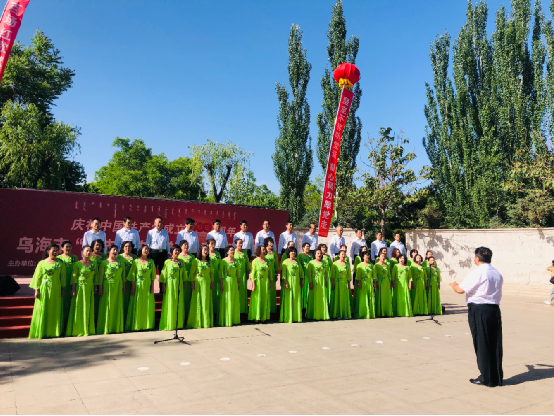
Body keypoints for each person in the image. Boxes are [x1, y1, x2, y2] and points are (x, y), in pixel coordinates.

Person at [449, 247, 504, 387]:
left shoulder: (478, 272)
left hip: (479, 310)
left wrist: (454, 285)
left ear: (477, 258)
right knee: (495, 343)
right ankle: (496, 377)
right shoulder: (497, 273)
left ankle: (486, 377)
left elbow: (460, 290)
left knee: (482, 343)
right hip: (494, 310)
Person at [29, 244, 66, 339]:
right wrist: (37, 290)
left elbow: (63, 278)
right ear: (48, 251)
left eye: (57, 250)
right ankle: (42, 331)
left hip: (56, 289)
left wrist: (63, 289)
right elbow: (37, 277)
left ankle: (53, 331)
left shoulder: (60, 263)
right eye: (53, 250)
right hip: (44, 289)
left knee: (54, 309)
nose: (55, 252)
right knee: (43, 309)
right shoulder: (41, 263)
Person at [66, 246, 97, 337]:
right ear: (82, 252)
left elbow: (96, 277)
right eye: (87, 251)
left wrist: (95, 288)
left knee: (88, 307)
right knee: (78, 307)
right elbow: (74, 277)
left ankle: (87, 328)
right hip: (80, 289)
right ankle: (77, 329)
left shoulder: (94, 264)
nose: (88, 252)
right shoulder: (77, 264)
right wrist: (73, 289)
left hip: (89, 288)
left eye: (90, 251)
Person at [125, 245, 156, 332]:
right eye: (145, 249)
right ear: (140, 250)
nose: (146, 251)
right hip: (138, 286)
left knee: (147, 305)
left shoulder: (151, 262)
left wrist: (152, 286)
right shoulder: (136, 261)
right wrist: (133, 287)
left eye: (147, 249)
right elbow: (132, 275)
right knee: (138, 304)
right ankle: (137, 325)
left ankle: (147, 325)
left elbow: (153, 276)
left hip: (147, 285)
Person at [97, 245, 125, 334]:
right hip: (107, 286)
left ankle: (115, 327)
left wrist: (123, 286)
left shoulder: (121, 262)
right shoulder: (104, 263)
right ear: (108, 251)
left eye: (116, 250)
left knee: (116, 305)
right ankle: (105, 327)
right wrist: (100, 288)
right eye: (113, 250)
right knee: (106, 306)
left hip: (118, 286)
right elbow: (100, 276)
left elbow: (123, 276)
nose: (115, 251)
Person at [159, 245, 187, 331]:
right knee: (170, 303)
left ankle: (178, 324)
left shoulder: (181, 262)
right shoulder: (167, 262)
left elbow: (184, 274)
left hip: (179, 285)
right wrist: (163, 285)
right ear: (172, 252)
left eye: (178, 250)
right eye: (175, 250)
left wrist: (184, 284)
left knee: (179, 303)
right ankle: (170, 323)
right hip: (170, 285)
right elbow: (163, 275)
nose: (177, 252)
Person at [186, 245, 214, 329]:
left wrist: (212, 282)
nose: (206, 251)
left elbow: (211, 273)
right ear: (200, 250)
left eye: (207, 250)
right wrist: (192, 283)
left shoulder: (209, 261)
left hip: (207, 282)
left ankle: (206, 322)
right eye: (204, 249)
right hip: (198, 283)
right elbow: (192, 273)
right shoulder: (196, 261)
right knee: (198, 301)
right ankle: (197, 321)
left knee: (206, 301)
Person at [57, 240, 78, 331]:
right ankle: (60, 326)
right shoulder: (58, 258)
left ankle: (68, 326)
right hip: (61, 284)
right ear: (62, 248)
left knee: (69, 305)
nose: (68, 248)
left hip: (71, 283)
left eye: (70, 246)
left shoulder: (74, 258)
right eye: (66, 247)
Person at [280, 246, 304, 323]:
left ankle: (296, 317)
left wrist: (301, 281)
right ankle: (288, 317)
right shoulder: (285, 262)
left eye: (294, 251)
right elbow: (283, 274)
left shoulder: (297, 262)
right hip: (289, 283)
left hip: (296, 283)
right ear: (288, 253)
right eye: (292, 251)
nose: (293, 253)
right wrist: (285, 283)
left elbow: (301, 272)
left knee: (296, 299)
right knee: (289, 299)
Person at [218, 246, 241, 327]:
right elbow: (220, 274)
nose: (232, 251)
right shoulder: (223, 261)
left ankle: (233, 319)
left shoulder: (236, 261)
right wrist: (221, 284)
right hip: (226, 282)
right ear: (227, 252)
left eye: (233, 250)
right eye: (231, 250)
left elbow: (238, 274)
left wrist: (238, 284)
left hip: (234, 282)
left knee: (234, 299)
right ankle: (226, 319)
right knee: (227, 299)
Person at [249, 245, 272, 323]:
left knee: (264, 299)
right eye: (263, 250)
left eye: (265, 250)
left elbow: (270, 273)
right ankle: (256, 317)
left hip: (265, 282)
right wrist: (253, 284)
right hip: (258, 282)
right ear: (259, 251)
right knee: (257, 298)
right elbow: (252, 273)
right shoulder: (255, 261)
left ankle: (263, 317)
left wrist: (271, 283)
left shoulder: (267, 261)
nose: (264, 251)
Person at [306, 249, 329, 321]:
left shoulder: (324, 263)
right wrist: (310, 282)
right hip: (314, 281)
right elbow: (308, 273)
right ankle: (313, 314)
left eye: (320, 253)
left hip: (322, 282)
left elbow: (326, 273)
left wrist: (326, 281)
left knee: (322, 297)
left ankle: (322, 314)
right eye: (318, 253)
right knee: (314, 297)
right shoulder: (311, 263)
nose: (319, 254)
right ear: (315, 255)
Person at [118, 241, 136, 325]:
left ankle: (129, 321)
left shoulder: (135, 257)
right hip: (121, 281)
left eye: (129, 246)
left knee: (130, 300)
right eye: (125, 246)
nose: (127, 248)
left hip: (132, 282)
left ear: (132, 248)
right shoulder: (119, 257)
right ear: (122, 247)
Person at [330, 250, 352, 319]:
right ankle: (337, 314)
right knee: (337, 298)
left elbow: (349, 275)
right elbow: (332, 275)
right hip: (337, 283)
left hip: (344, 283)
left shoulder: (347, 264)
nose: (343, 255)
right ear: (339, 255)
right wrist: (332, 284)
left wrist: (349, 284)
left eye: (344, 254)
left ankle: (344, 314)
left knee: (344, 299)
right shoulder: (334, 264)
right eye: (342, 254)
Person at [178, 240, 195, 320]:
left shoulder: (192, 257)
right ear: (181, 247)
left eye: (187, 245)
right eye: (184, 245)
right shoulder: (178, 256)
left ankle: (189, 316)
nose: (186, 246)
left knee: (189, 298)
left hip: (190, 280)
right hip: (181, 279)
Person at [355, 251, 375, 319]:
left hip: (370, 282)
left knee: (370, 297)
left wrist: (374, 282)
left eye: (368, 255)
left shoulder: (371, 265)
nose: (367, 256)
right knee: (363, 298)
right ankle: (363, 313)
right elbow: (358, 276)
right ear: (363, 257)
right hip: (363, 283)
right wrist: (359, 283)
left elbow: (373, 275)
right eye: (366, 255)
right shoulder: (359, 265)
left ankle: (370, 313)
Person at [234, 238, 251, 315]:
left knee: (243, 291)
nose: (241, 244)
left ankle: (243, 310)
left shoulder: (244, 253)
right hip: (235, 275)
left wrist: (247, 273)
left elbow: (247, 263)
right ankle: (236, 310)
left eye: (241, 243)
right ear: (235, 244)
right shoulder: (233, 252)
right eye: (239, 243)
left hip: (243, 275)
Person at [374, 251, 393, 317]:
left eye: (384, 256)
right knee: (380, 296)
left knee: (386, 297)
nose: (383, 257)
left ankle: (387, 311)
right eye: (382, 256)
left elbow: (389, 274)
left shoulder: (387, 265)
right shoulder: (376, 265)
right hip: (380, 282)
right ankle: (380, 312)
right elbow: (375, 275)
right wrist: (376, 283)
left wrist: (390, 282)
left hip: (386, 282)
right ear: (379, 257)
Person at [207, 238, 221, 317]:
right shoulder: (206, 253)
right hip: (208, 276)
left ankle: (215, 312)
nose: (213, 245)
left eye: (214, 243)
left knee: (216, 293)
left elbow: (220, 266)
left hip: (216, 275)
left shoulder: (218, 254)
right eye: (211, 243)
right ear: (208, 245)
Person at [264, 237, 279, 314]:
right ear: (266, 243)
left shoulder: (274, 252)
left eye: (272, 242)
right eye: (270, 242)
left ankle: (271, 309)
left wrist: (276, 273)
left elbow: (276, 264)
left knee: (272, 290)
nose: (272, 243)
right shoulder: (263, 251)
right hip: (265, 273)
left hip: (272, 273)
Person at [297, 243, 313, 309]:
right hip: (303, 273)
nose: (308, 248)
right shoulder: (300, 255)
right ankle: (303, 306)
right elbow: (298, 264)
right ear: (303, 247)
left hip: (311, 274)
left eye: (309, 246)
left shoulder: (312, 255)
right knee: (304, 289)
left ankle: (309, 305)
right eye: (306, 246)